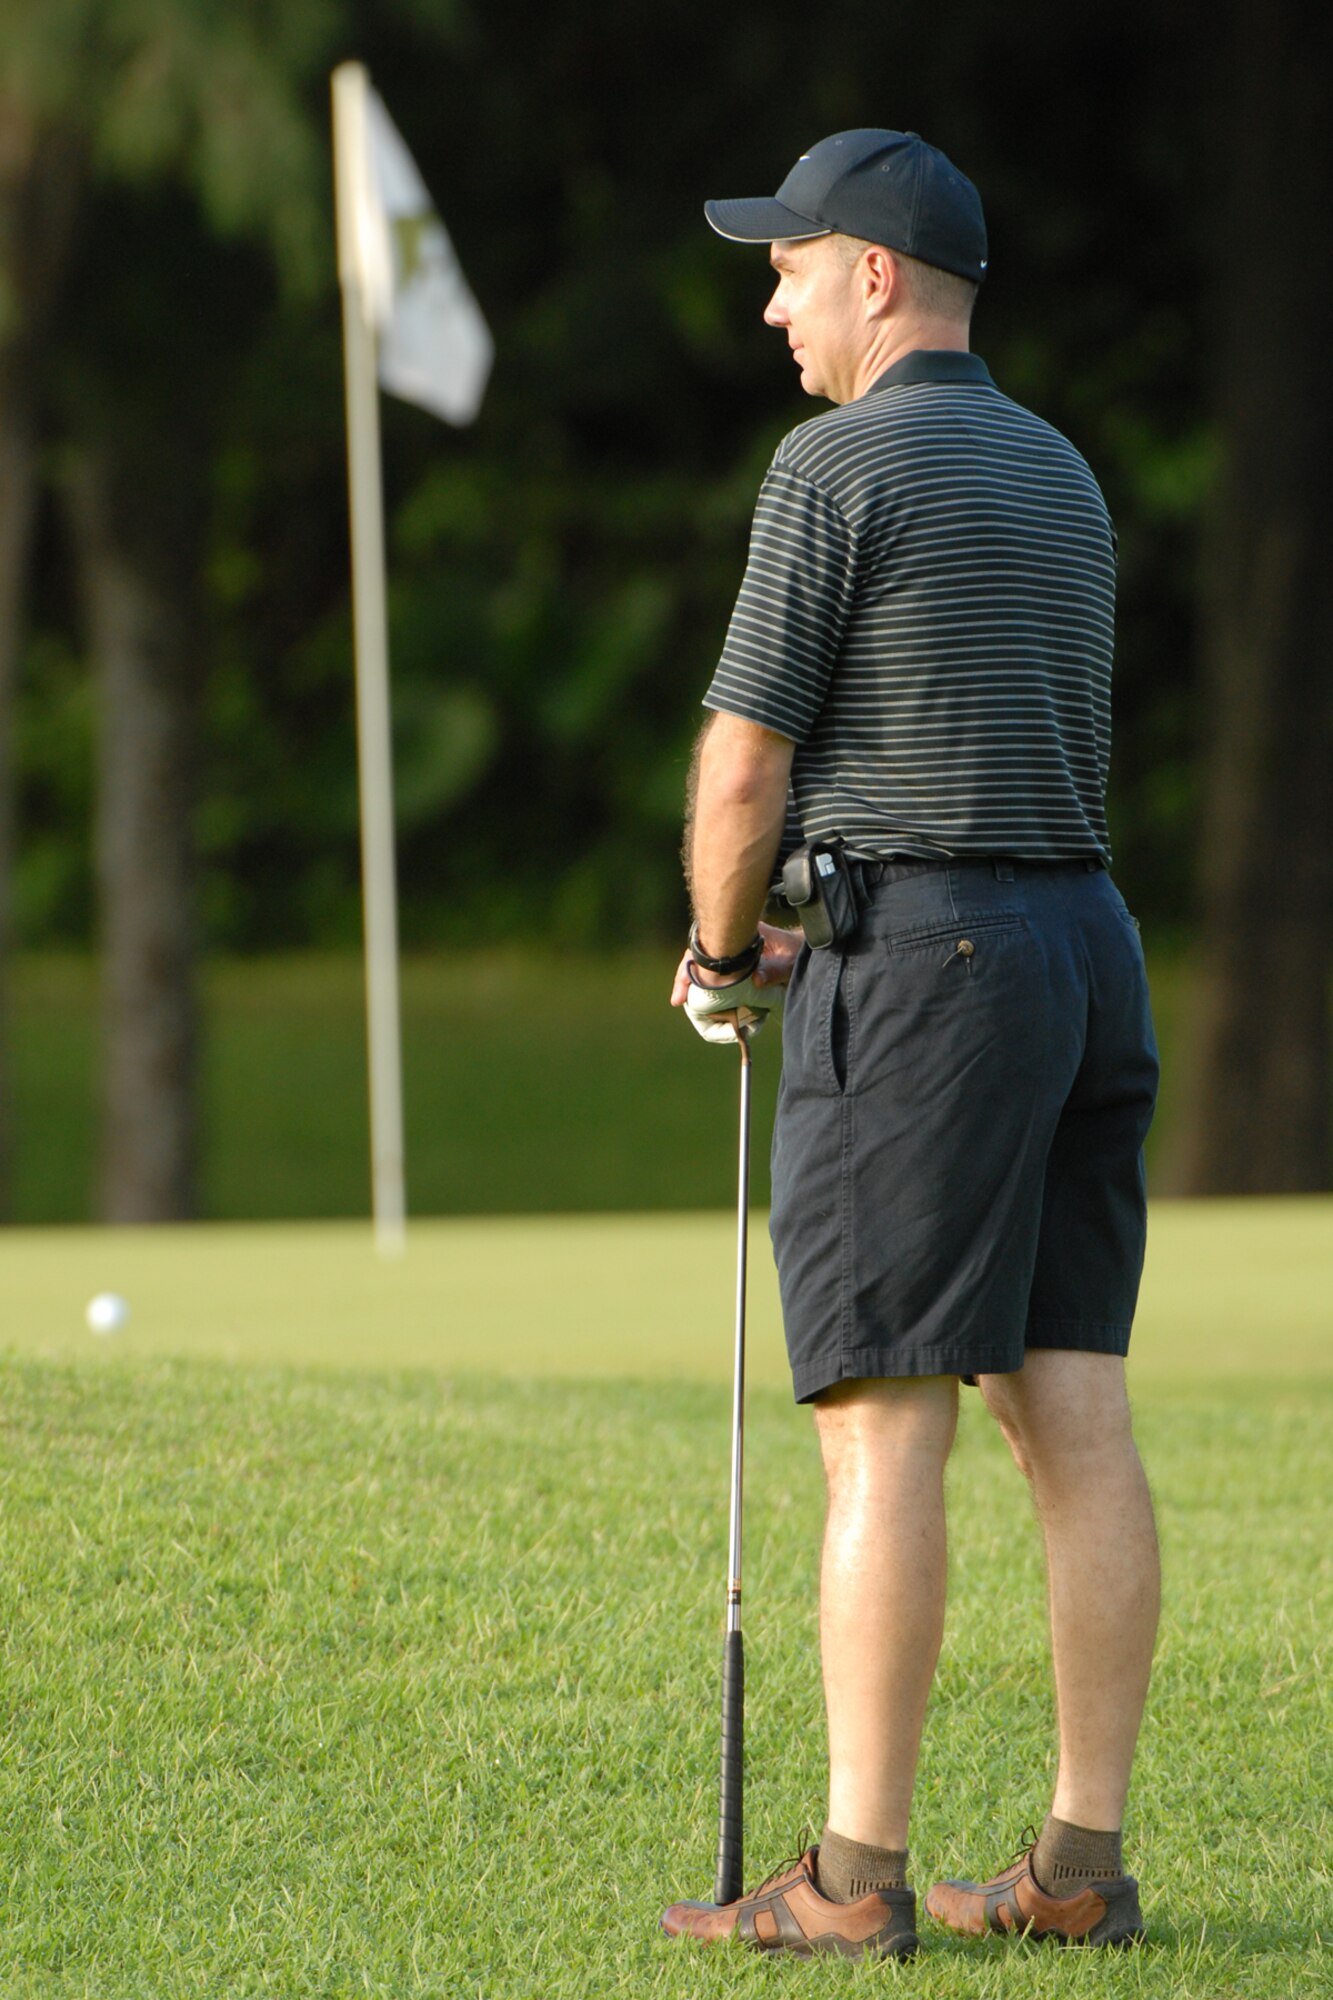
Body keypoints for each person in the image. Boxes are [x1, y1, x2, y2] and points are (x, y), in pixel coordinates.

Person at [661, 130, 1160, 1961]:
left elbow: (742, 760)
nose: (773, 298)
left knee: (881, 1426)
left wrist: (724, 949)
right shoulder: (1061, 475)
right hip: (1082, 950)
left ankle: (853, 1883)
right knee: (1071, 1411)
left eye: (790, 264)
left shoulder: (832, 465)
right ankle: (1075, 1867)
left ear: (876, 276)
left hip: (932, 977)